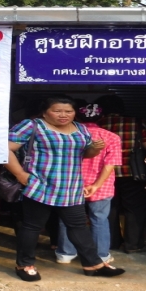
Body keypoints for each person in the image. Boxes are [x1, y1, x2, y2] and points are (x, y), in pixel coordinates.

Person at [7, 96, 125, 282]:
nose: (63, 115)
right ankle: (24, 264)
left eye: (69, 111)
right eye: (57, 111)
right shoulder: (33, 125)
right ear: (45, 112)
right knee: (32, 227)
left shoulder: (80, 128)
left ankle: (93, 264)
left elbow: (85, 154)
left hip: (71, 187)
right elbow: (5, 149)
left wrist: (95, 149)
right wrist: (20, 174)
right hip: (40, 186)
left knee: (78, 227)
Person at [56, 104, 122, 264]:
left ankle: (66, 253)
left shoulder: (69, 135)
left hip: (70, 184)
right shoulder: (112, 137)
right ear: (102, 118)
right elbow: (110, 164)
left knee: (68, 219)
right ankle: (101, 255)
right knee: (99, 219)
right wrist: (97, 185)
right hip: (101, 186)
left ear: (77, 117)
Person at [95, 94, 146, 253]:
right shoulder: (138, 122)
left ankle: (111, 243)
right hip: (132, 172)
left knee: (109, 209)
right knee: (135, 208)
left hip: (104, 174)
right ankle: (133, 244)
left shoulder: (98, 124)